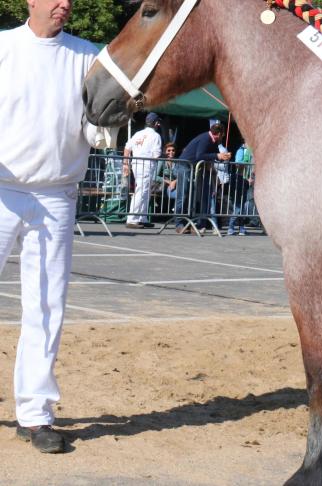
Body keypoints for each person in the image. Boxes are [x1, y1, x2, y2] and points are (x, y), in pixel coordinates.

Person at [0, 0, 106, 453]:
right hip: (1, 189)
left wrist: (105, 129)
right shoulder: (3, 48)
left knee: (46, 306)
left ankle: (36, 413)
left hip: (58, 193)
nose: (64, 5)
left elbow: (100, 120)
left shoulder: (89, 56)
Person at [175, 123, 231, 233]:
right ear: (219, 134)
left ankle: (192, 224)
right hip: (184, 166)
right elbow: (200, 155)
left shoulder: (212, 141)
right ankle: (179, 223)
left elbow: (211, 156)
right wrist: (217, 156)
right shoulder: (206, 139)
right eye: (222, 136)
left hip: (193, 167)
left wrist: (223, 157)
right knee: (184, 194)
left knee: (192, 196)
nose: (222, 138)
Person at [123, 112, 163, 229]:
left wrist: (126, 163)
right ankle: (132, 219)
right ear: (156, 123)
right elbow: (156, 154)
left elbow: (127, 148)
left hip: (136, 163)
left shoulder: (138, 133)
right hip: (146, 165)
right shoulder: (156, 136)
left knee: (144, 190)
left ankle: (142, 218)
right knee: (142, 190)